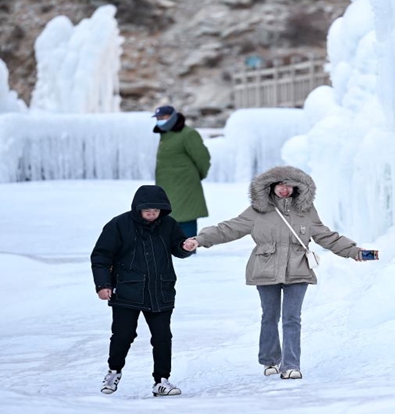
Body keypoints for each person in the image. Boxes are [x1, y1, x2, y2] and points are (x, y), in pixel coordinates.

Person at [182, 165, 372, 380]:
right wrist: (199, 240)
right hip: (265, 268)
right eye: (281, 185)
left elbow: (326, 236)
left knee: (292, 318)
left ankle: (291, 365)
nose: (285, 189)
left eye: (290, 185)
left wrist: (354, 251)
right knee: (269, 316)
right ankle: (270, 360)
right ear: (271, 186)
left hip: (298, 269)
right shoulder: (257, 210)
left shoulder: (306, 211)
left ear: (297, 188)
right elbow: (229, 228)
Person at [90, 185, 195, 397]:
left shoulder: (169, 224)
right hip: (127, 291)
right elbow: (101, 256)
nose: (151, 213)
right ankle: (114, 372)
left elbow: (178, 247)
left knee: (162, 337)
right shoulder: (119, 225)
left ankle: (161, 381)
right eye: (147, 209)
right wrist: (103, 285)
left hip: (161, 291)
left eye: (156, 210)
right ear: (137, 208)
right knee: (123, 335)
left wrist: (185, 247)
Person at [152, 105, 211, 237]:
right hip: (167, 186)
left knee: (186, 217)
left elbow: (203, 158)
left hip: (185, 185)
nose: (160, 120)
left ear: (173, 117)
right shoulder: (165, 135)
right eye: (158, 118)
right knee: (169, 218)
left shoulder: (188, 134)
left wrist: (197, 176)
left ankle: (188, 252)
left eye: (164, 117)